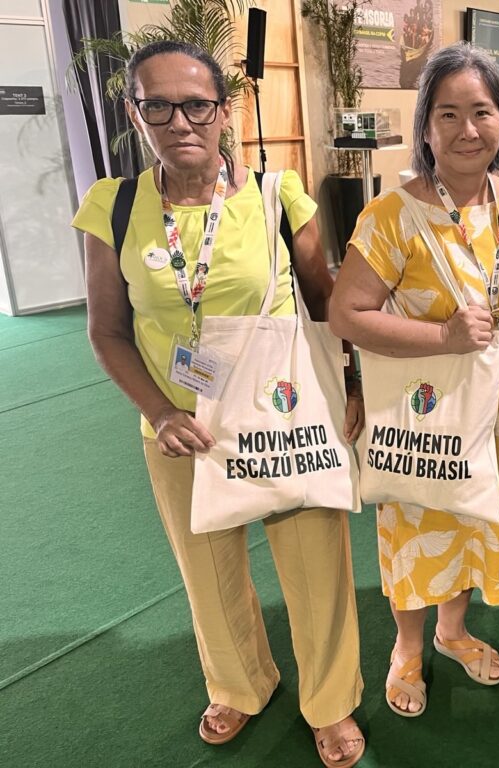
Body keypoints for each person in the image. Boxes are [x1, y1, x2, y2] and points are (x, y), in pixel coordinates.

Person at [70, 41, 366, 768]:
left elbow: (326, 299)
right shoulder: (114, 207)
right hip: (180, 427)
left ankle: (329, 702)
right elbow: (107, 331)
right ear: (135, 113)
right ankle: (239, 684)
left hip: (283, 417)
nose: (180, 121)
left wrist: (353, 382)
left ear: (223, 111)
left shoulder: (277, 194)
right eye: (158, 105)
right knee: (205, 567)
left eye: (197, 103)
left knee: (315, 563)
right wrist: (161, 412)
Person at [330, 43, 499, 718]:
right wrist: (444, 337)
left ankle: (453, 631)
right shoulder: (392, 216)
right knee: (423, 525)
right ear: (425, 128)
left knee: (474, 520)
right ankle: (408, 647)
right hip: (427, 412)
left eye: (482, 112)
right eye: (448, 114)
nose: (467, 129)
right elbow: (347, 313)